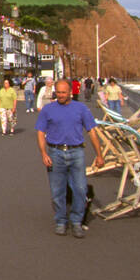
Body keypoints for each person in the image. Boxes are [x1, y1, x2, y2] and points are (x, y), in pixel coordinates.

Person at [35, 79, 105, 238]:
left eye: (63, 92)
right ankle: (60, 221)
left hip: (76, 153)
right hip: (55, 153)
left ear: (70, 93)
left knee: (80, 189)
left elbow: (92, 132)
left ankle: (76, 221)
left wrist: (99, 155)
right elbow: (40, 132)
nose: (60, 95)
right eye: (58, 92)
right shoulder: (48, 110)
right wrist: (43, 153)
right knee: (57, 191)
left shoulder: (81, 109)